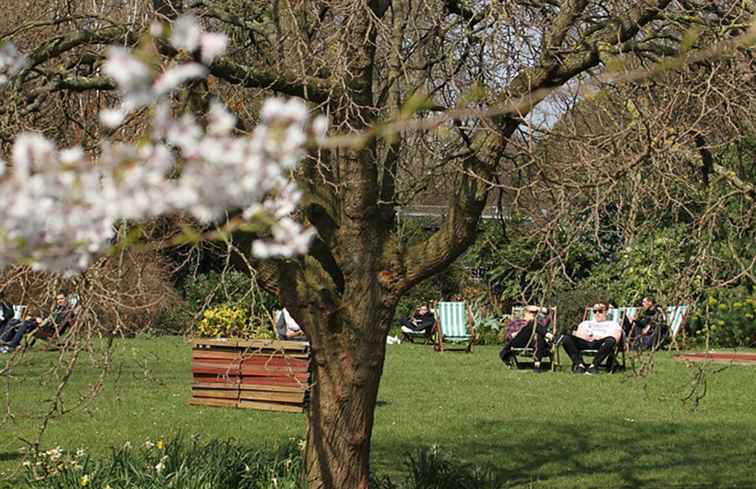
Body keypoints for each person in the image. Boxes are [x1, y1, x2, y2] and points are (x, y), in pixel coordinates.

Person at [561, 303, 622, 375]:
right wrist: (586, 336)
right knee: (566, 338)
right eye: (595, 311)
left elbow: (616, 338)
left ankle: (594, 366)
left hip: (601, 343)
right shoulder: (585, 323)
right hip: (586, 342)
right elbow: (578, 335)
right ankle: (579, 365)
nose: (597, 313)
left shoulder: (613, 324)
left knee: (610, 341)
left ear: (606, 311)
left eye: (600, 311)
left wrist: (600, 337)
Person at [0, 293, 72, 353]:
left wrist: (38, 320)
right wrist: (37, 318)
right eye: (58, 299)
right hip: (45, 325)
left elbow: (54, 323)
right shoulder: (58, 308)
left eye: (61, 299)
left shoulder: (66, 311)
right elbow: (50, 319)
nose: (59, 301)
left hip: (49, 330)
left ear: (66, 298)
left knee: (25, 323)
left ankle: (11, 344)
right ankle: (8, 343)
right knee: (17, 322)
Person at [499, 305, 553, 373]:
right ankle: (550, 336)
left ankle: (537, 366)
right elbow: (509, 336)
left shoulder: (540, 323)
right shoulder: (517, 322)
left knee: (538, 333)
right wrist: (520, 331)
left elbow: (550, 313)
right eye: (531, 312)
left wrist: (539, 308)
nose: (534, 314)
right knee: (531, 323)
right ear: (525, 313)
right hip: (520, 342)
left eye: (536, 312)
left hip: (534, 342)